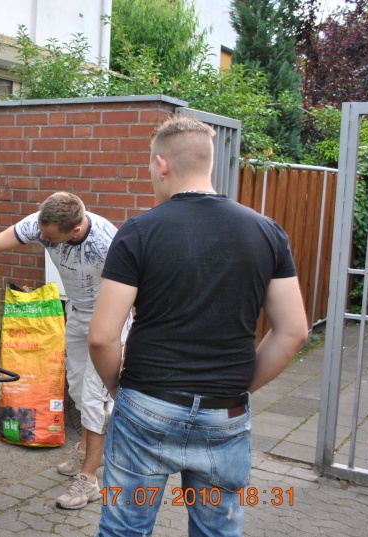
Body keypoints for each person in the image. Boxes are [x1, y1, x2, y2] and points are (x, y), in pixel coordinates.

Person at [87, 115, 309, 536]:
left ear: (162, 164)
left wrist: (118, 388)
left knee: (123, 529)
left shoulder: (138, 232)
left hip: (147, 405)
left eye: (151, 167)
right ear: (208, 164)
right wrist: (238, 388)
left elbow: (101, 336)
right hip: (225, 414)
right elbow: (294, 331)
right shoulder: (266, 232)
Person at [0, 192, 130, 510]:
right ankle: (87, 452)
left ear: (74, 231)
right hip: (77, 312)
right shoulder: (40, 224)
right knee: (76, 388)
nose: (42, 239)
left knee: (94, 397)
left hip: (110, 317)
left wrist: (130, 341)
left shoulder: (108, 243)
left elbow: (138, 290)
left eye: (49, 238)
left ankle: (89, 479)